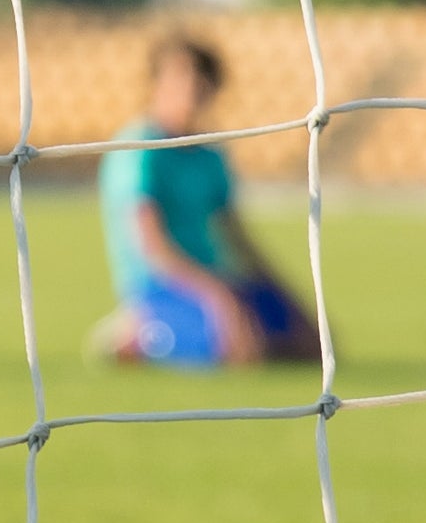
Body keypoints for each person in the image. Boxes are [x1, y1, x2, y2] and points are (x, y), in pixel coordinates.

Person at [90, 33, 313, 369]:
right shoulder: (139, 149)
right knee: (241, 351)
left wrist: (287, 295)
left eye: (202, 77)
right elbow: (152, 245)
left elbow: (236, 235)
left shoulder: (210, 154)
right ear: (156, 82)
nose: (193, 86)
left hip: (217, 279)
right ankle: (139, 332)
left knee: (311, 345)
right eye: (181, 75)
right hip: (162, 285)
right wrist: (217, 297)